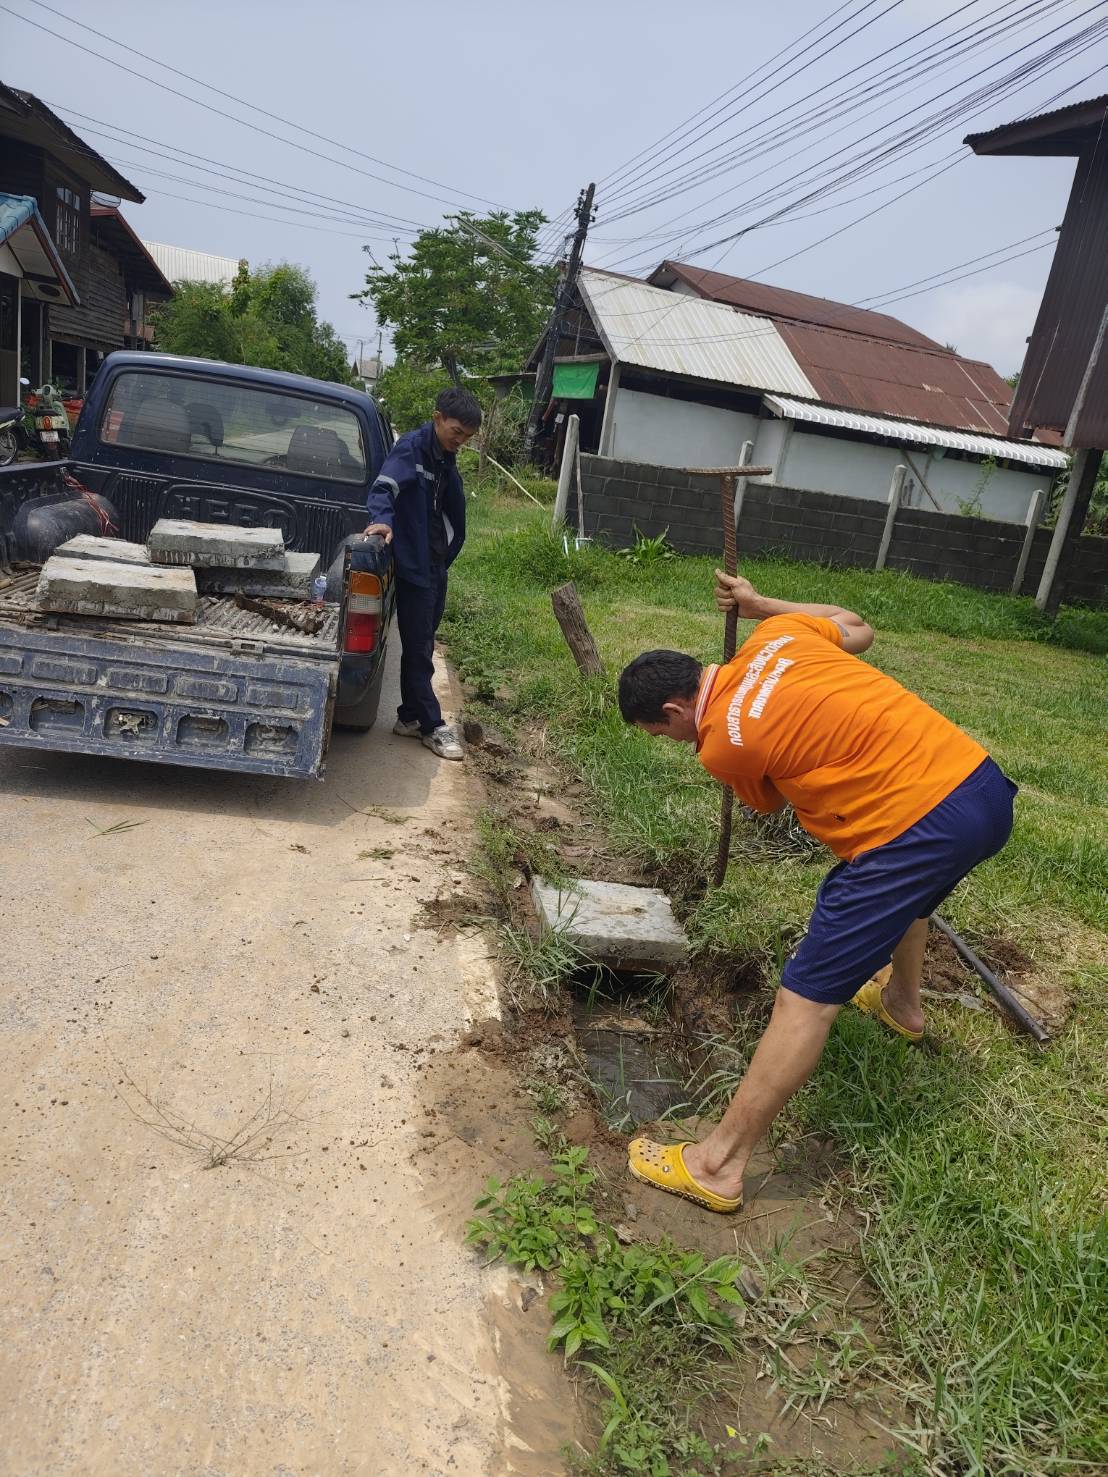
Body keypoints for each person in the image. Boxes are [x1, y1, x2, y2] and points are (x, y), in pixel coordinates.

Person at [617, 571, 1017, 1214]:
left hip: (912, 829)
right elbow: (858, 625)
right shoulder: (778, 635)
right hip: (981, 790)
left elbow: (769, 802)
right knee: (912, 898)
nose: (673, 743)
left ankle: (718, 1165)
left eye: (663, 734)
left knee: (804, 997)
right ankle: (903, 1006)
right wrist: (759, 605)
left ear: (673, 711)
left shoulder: (721, 746)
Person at [365, 387, 482, 759]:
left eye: (466, 436)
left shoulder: (445, 456)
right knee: (419, 648)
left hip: (434, 564)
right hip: (414, 566)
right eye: (456, 431)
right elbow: (384, 487)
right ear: (437, 418)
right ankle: (432, 726)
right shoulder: (412, 450)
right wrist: (382, 521)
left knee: (423, 641)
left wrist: (445, 556)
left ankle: (409, 717)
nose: (460, 440)